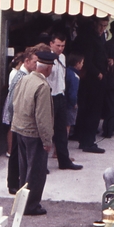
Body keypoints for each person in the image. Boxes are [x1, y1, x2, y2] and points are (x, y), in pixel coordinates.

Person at [12, 50, 57, 215]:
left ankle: (22, 202)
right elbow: (43, 116)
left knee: (24, 169)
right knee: (36, 172)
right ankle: (31, 205)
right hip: (34, 133)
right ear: (48, 68)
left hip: (20, 130)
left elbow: (15, 103)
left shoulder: (24, 79)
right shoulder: (43, 86)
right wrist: (47, 140)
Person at [73, 17, 109, 154]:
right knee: (92, 111)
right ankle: (88, 141)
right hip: (92, 79)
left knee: (90, 111)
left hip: (97, 77)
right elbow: (87, 59)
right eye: (101, 25)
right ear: (95, 24)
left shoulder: (99, 37)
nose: (102, 29)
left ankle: (85, 139)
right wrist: (97, 73)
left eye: (105, 26)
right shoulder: (89, 38)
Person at [47, 32, 78, 170]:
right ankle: (43, 164)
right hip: (49, 96)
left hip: (61, 95)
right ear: (51, 44)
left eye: (63, 46)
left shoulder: (63, 58)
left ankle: (64, 160)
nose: (60, 48)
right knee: (47, 131)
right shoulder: (47, 58)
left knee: (61, 130)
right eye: (58, 45)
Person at [4, 53, 25, 156]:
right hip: (13, 99)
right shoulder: (15, 73)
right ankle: (10, 150)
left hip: (15, 98)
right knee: (12, 126)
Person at [65, 52, 83, 140]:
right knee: (67, 126)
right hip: (69, 105)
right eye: (82, 62)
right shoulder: (75, 76)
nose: (83, 65)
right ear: (77, 64)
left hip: (62, 101)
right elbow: (73, 93)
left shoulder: (66, 71)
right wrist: (74, 103)